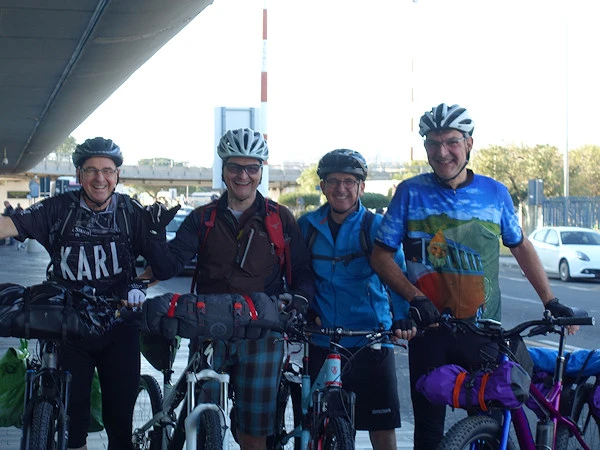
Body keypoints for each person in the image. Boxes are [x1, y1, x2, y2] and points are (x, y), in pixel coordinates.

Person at [370, 103, 578, 449]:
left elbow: (520, 245)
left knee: (491, 428)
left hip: (484, 333)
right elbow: (381, 256)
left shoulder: (494, 192)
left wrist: (550, 300)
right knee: (428, 434)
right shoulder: (410, 192)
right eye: (433, 143)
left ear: (468, 143)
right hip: (430, 331)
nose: (442, 152)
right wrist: (415, 297)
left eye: (451, 141)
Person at [0, 137, 177, 450]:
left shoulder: (131, 212)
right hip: (68, 327)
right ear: (79, 175)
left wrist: (139, 282)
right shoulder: (58, 208)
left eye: (107, 171)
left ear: (117, 175)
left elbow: (164, 268)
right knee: (74, 424)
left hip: (119, 326)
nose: (100, 178)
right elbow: (7, 226)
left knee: (120, 425)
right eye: (91, 170)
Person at [146, 127, 315, 450]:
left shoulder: (280, 218)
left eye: (252, 168)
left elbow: (302, 271)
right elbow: (169, 267)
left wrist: (300, 300)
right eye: (235, 167)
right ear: (223, 169)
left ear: (261, 171)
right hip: (209, 329)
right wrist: (155, 236)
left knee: (254, 435)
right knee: (199, 424)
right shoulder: (203, 218)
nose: (243, 176)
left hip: (262, 334)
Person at [297, 149, 416, 450]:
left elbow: (397, 275)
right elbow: (298, 273)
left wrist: (402, 316)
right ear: (322, 186)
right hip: (323, 339)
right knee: (316, 426)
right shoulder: (307, 226)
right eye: (333, 181)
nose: (341, 188)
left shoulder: (375, 227)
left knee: (382, 428)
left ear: (361, 187)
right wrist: (304, 308)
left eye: (349, 181)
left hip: (370, 338)